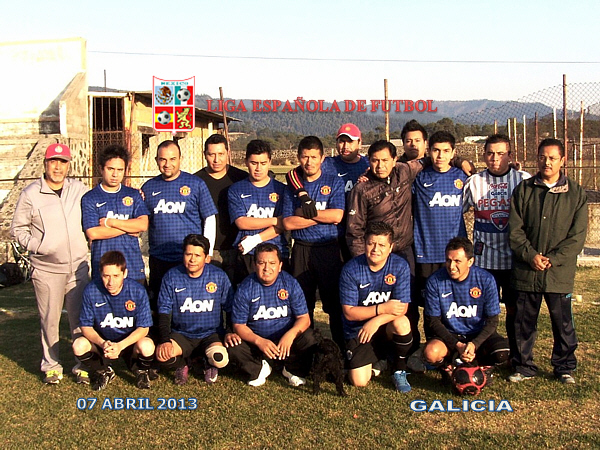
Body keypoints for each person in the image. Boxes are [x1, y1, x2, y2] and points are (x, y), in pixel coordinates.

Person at [508, 138, 587, 384]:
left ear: (562, 160)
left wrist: (553, 259)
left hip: (558, 273)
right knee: (524, 322)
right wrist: (530, 255)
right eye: (542, 157)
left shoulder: (576, 193)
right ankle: (523, 366)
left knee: (563, 323)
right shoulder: (524, 189)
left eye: (552, 158)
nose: (547, 162)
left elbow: (577, 236)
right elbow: (515, 230)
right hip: (527, 270)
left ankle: (564, 367)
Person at [11, 143, 89, 384]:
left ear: (68, 165)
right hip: (47, 269)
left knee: (81, 320)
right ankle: (52, 366)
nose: (57, 167)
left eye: (62, 162)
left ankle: (83, 364)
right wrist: (38, 245)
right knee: (49, 320)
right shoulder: (31, 193)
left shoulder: (79, 189)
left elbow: (101, 202)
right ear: (45, 164)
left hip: (78, 267)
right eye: (53, 161)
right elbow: (18, 229)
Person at [462, 134, 531, 359]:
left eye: (501, 154)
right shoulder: (474, 182)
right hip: (484, 260)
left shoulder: (523, 179)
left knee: (515, 310)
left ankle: (517, 356)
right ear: (483, 155)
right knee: (481, 310)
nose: (495, 158)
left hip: (514, 259)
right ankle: (481, 352)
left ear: (510, 156)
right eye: (490, 153)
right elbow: (455, 210)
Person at [282, 136, 346, 351]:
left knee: (334, 304)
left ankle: (339, 350)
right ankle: (306, 352)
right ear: (298, 157)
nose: (309, 162)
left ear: (322, 158)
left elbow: (337, 216)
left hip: (328, 248)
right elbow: (288, 222)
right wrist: (320, 215)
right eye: (304, 157)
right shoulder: (293, 186)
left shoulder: (333, 182)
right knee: (303, 305)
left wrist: (306, 212)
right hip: (301, 248)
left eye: (313, 157)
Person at [142, 139, 217, 313]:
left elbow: (209, 218)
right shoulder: (148, 187)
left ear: (180, 159)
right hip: (159, 257)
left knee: (187, 305)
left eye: (172, 159)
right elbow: (141, 221)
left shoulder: (196, 184)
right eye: (163, 159)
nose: (167, 164)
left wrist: (208, 252)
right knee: (160, 305)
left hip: (188, 258)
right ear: (156, 160)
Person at [228, 243, 316, 387]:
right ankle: (259, 369)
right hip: (258, 343)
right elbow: (238, 325)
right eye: (261, 263)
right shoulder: (245, 287)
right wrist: (259, 341)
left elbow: (304, 318)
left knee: (310, 337)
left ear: (280, 266)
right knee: (234, 344)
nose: (267, 268)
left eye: (272, 263)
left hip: (286, 343)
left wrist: (290, 335)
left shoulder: (290, 283)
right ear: (255, 265)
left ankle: (291, 369)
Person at [339, 222, 413, 392]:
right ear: (364, 243)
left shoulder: (400, 266)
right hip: (359, 329)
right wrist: (382, 308)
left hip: (383, 326)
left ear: (390, 247)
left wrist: (376, 321)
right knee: (359, 381)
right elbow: (349, 313)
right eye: (371, 243)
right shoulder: (351, 269)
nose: (375, 249)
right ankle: (379, 360)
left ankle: (399, 369)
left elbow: (402, 308)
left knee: (402, 323)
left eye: (381, 245)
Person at [155, 234, 233, 385]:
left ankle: (207, 362)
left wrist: (229, 330)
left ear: (206, 257)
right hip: (182, 335)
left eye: (197, 255)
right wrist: (165, 340)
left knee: (220, 359)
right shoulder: (172, 276)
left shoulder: (218, 276)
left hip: (211, 334)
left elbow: (229, 307)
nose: (192, 259)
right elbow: (163, 311)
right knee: (162, 356)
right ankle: (183, 363)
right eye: (188, 254)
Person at [422, 237, 509, 372]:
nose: (451, 266)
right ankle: (448, 366)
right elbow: (433, 321)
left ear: (470, 261)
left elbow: (492, 320)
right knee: (431, 353)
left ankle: (474, 362)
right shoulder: (435, 281)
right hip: (450, 335)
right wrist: (457, 345)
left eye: (457, 261)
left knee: (502, 353)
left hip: (477, 334)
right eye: (448, 260)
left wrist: (475, 344)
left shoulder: (486, 279)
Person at [286, 123, 369, 261]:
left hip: (359, 230)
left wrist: (304, 213)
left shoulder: (367, 164)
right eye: (341, 141)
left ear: (360, 143)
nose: (345, 146)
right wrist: (302, 194)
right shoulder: (327, 164)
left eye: (350, 141)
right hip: (335, 231)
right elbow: (292, 174)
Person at [73, 251, 155, 390]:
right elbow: (86, 326)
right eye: (106, 276)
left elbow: (144, 328)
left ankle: (141, 371)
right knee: (78, 345)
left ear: (125, 273)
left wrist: (121, 346)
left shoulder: (137, 291)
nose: (111, 282)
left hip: (129, 342)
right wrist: (102, 343)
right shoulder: (91, 291)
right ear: (100, 274)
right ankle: (104, 371)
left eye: (116, 276)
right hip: (104, 343)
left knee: (147, 346)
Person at [81, 145, 149, 282]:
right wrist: (128, 227)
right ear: (101, 168)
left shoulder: (133, 194)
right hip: (103, 270)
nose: (115, 174)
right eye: (110, 169)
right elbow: (93, 233)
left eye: (120, 170)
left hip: (133, 267)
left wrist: (110, 222)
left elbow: (142, 224)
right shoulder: (90, 198)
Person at [228, 139, 288, 273]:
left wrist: (255, 239)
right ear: (246, 162)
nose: (258, 168)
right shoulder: (236, 189)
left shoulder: (282, 190)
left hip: (276, 252)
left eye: (263, 163)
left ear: (270, 162)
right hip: (247, 253)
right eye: (254, 163)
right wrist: (274, 220)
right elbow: (242, 222)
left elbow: (284, 224)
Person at [195, 133, 248, 284]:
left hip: (238, 247)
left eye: (221, 154)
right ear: (205, 154)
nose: (216, 160)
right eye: (212, 154)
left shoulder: (240, 178)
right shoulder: (196, 181)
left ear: (228, 153)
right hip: (209, 250)